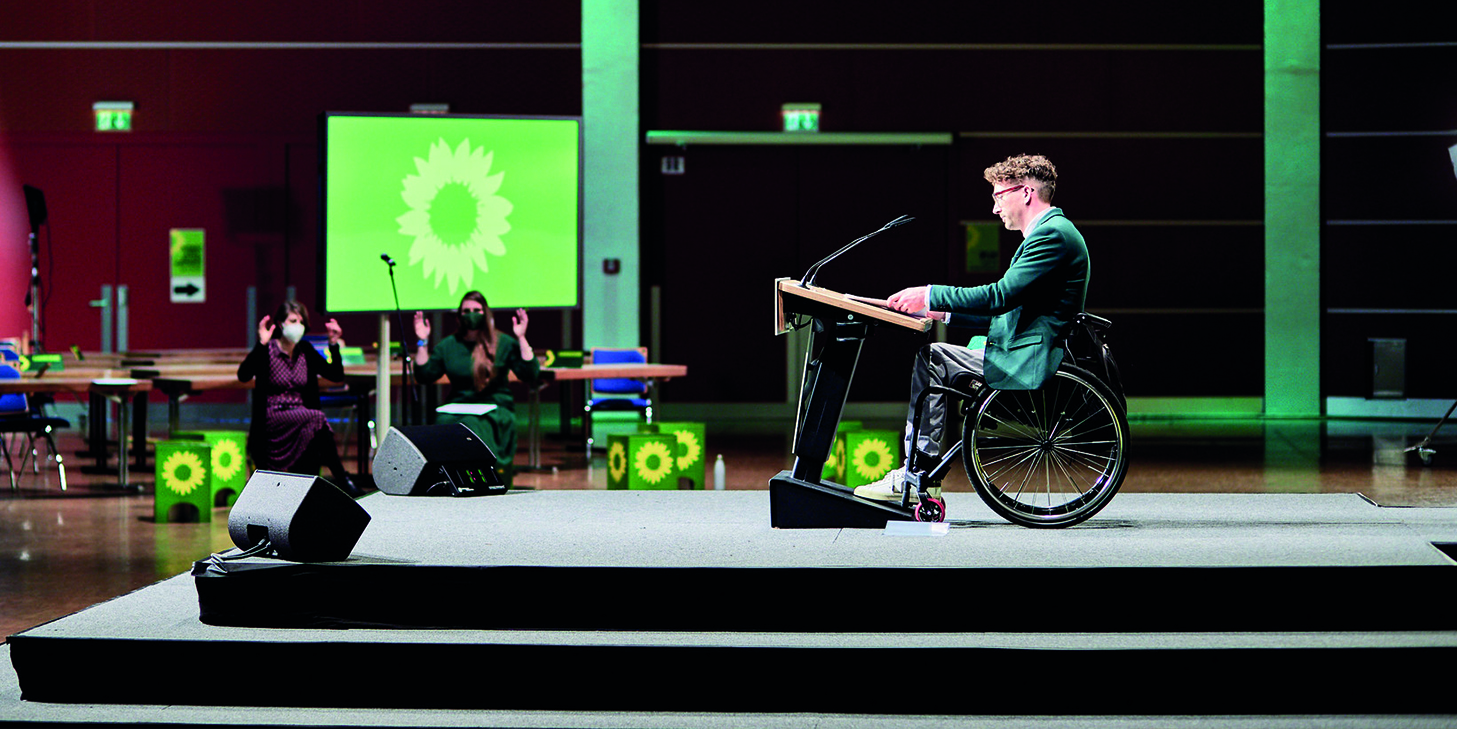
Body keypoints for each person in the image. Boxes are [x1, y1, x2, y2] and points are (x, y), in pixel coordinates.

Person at [854, 154, 1090, 503]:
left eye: (999, 196)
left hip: (1031, 358)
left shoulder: (1051, 236)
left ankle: (917, 473)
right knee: (937, 355)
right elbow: (1011, 310)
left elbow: (1000, 297)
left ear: (1025, 193)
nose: (995, 208)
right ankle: (919, 470)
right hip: (1025, 345)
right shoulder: (1050, 233)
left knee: (933, 359)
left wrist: (931, 292)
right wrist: (940, 313)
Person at [238, 300, 363, 497]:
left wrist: (333, 344)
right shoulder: (268, 350)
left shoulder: (305, 350)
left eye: (302, 321)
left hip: (302, 415)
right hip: (274, 414)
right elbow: (243, 375)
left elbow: (336, 375)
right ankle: (343, 479)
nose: (298, 326)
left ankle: (326, 485)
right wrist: (260, 343)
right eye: (293, 320)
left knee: (316, 422)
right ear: (281, 323)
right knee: (317, 418)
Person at [413, 291, 539, 481]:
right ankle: (449, 479)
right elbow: (424, 374)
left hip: (495, 406)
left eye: (476, 310)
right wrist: (422, 341)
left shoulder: (502, 342)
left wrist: (521, 337)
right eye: (466, 311)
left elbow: (530, 373)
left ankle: (483, 479)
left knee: (472, 425)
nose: (471, 314)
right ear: (459, 315)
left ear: (485, 312)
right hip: (458, 405)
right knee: (443, 423)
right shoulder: (449, 345)